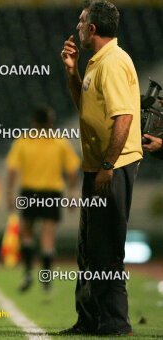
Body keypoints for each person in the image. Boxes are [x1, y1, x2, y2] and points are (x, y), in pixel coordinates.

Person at [60, 0, 142, 335]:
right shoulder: (97, 63)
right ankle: (90, 319)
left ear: (92, 28)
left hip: (113, 165)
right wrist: (72, 73)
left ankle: (114, 324)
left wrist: (108, 165)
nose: (77, 26)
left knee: (106, 248)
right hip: (98, 166)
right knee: (88, 249)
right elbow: (86, 108)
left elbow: (124, 117)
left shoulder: (113, 63)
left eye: (81, 21)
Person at [6, 106, 79, 293]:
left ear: (33, 122)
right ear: (50, 122)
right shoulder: (60, 142)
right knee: (48, 237)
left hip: (30, 192)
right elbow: (72, 170)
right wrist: (72, 192)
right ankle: (46, 280)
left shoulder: (23, 141)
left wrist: (9, 193)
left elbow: (13, 170)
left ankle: (28, 274)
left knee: (27, 234)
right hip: (52, 194)